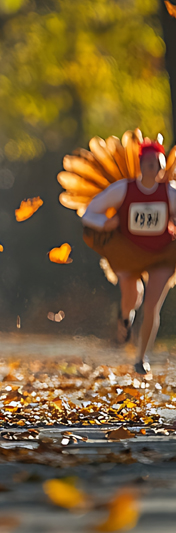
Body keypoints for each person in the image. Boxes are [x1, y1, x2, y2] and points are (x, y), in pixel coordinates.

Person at [82, 140, 176, 373]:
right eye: (147, 164)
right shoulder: (123, 189)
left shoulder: (171, 193)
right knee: (131, 295)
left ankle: (140, 358)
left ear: (161, 167)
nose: (151, 169)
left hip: (162, 254)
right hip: (128, 252)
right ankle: (125, 317)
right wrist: (105, 223)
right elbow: (89, 213)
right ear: (140, 165)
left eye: (155, 165)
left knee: (152, 306)